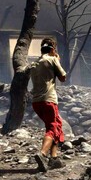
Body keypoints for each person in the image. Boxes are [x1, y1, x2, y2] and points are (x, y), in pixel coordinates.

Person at [29, 37, 67, 172]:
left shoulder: (34, 64)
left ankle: (54, 158)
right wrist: (57, 60)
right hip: (49, 100)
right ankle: (43, 154)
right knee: (53, 127)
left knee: (55, 125)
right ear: (52, 49)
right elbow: (63, 77)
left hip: (36, 102)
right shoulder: (52, 59)